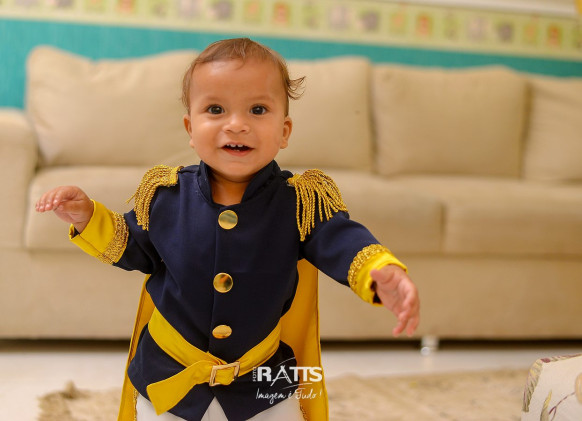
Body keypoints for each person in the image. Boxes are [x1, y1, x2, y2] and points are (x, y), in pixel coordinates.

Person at [35, 38, 420, 421]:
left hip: (262, 380)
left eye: (258, 109)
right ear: (190, 127)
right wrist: (88, 216)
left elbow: (340, 238)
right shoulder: (166, 195)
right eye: (216, 109)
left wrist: (378, 269)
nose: (237, 125)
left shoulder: (300, 202)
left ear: (284, 131)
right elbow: (132, 245)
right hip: (169, 372)